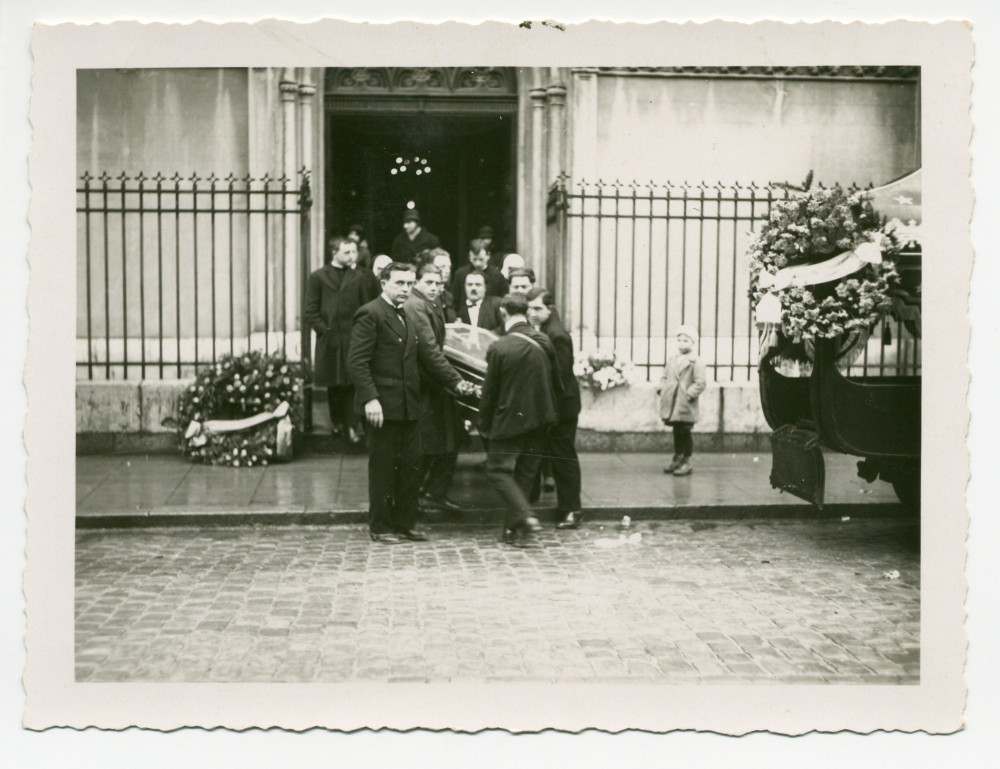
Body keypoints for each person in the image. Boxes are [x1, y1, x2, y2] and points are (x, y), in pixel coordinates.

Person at [348, 262, 467, 545]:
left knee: (410, 468)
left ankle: (404, 523)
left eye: (410, 283)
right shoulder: (371, 313)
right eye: (399, 283)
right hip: (382, 407)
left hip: (409, 405)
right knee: (383, 469)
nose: (405, 289)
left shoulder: (406, 314)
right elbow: (357, 362)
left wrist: (455, 382)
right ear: (384, 283)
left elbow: (425, 356)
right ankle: (381, 527)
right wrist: (370, 399)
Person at [478, 293, 560, 547]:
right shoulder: (544, 341)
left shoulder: (499, 347)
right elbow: (556, 382)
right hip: (542, 417)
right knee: (527, 472)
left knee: (497, 470)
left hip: (509, 418)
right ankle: (514, 529)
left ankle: (525, 517)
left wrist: (484, 422)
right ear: (526, 313)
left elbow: (490, 392)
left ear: (503, 313)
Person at [404, 263, 469, 515]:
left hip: (433, 383)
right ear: (417, 282)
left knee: (446, 438)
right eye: (429, 282)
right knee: (432, 441)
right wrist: (455, 381)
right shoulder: (416, 305)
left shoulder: (428, 303)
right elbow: (429, 350)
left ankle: (428, 492)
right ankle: (419, 496)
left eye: (438, 283)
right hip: (425, 384)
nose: (434, 288)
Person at [304, 236, 380, 444]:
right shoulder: (319, 277)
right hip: (330, 339)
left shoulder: (362, 276)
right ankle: (337, 422)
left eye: (354, 252)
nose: (352, 256)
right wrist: (324, 331)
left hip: (354, 338)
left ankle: (351, 425)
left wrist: (363, 332)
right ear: (334, 253)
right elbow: (310, 310)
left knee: (352, 382)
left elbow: (370, 305)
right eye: (347, 252)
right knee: (334, 383)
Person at [527, 288, 583, 529]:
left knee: (563, 458)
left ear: (550, 309)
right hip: (554, 405)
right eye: (529, 308)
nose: (532, 313)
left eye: (538, 308)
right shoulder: (545, 329)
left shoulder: (557, 335)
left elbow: (559, 375)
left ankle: (572, 510)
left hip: (561, 406)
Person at [657, 324, 707, 476]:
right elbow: (664, 376)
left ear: (693, 342)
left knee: (685, 431)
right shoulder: (673, 359)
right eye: (679, 340)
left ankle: (686, 461)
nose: (681, 344)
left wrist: (688, 394)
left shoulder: (696, 362)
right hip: (673, 403)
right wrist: (662, 388)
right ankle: (677, 458)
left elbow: (700, 382)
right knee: (676, 431)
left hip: (685, 404)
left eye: (686, 340)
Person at [451, 238, 508, 307]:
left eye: (481, 259)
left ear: (488, 255)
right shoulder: (460, 274)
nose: (477, 264)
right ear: (469, 256)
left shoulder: (497, 276)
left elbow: (503, 300)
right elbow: (454, 300)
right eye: (474, 259)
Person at [430, 248, 458, 322]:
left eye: (449, 267)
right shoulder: (427, 294)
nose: (447, 271)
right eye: (443, 267)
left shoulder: (448, 296)